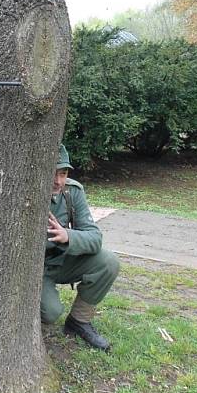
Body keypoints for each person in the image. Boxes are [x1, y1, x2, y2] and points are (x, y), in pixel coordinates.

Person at [42, 145, 120, 351]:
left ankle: (78, 321)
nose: (58, 181)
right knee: (50, 313)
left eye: (63, 173)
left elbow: (94, 237)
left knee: (108, 262)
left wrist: (68, 236)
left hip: (61, 259)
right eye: (52, 172)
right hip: (33, 269)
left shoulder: (72, 192)